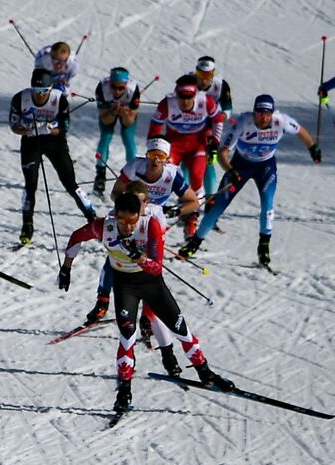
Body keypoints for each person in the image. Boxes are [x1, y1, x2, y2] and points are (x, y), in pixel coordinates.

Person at [102, 192, 232, 415]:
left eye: (145, 201)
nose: (145, 205)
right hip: (128, 282)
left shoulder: (154, 216)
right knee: (131, 333)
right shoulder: (116, 222)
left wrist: (144, 256)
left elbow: (156, 263)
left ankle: (203, 371)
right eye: (140, 201)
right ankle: (125, 392)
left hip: (152, 278)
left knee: (174, 324)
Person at [178, 95, 322, 268]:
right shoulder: (243, 123)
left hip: (265, 167)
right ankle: (195, 243)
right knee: (217, 206)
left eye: (266, 113)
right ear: (254, 112)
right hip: (241, 165)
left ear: (272, 113)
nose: (262, 117)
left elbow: (301, 131)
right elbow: (223, 152)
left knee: (267, 202)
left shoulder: (281, 121)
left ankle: (264, 247)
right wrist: (229, 170)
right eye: (259, 113)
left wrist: (313, 148)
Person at [58, 182, 186, 375]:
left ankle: (168, 355)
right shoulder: (121, 213)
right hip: (124, 272)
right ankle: (102, 303)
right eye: (134, 200)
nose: (138, 205)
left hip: (147, 270)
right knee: (110, 265)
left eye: (141, 202)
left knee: (152, 314)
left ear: (147, 202)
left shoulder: (154, 216)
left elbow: (156, 249)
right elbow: (99, 233)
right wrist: (66, 267)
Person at [10, 68, 96, 246]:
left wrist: (51, 129)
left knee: (70, 183)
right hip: (31, 142)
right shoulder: (20, 99)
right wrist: (25, 129)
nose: (40, 95)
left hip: (54, 142)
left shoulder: (58, 99)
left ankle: (92, 217)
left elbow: (65, 126)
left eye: (43, 92)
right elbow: (13, 125)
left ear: (50, 90)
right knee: (30, 184)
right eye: (36, 91)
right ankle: (27, 226)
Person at [148, 74, 224, 206]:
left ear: (195, 94)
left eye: (189, 97)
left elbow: (218, 120)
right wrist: (153, 148)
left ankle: (200, 208)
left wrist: (215, 142)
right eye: (181, 97)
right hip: (174, 145)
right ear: (176, 95)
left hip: (198, 145)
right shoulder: (167, 103)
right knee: (164, 173)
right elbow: (155, 127)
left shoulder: (205, 101)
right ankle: (158, 206)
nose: (185, 101)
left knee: (198, 173)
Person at [112, 137, 202, 236]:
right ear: (146, 156)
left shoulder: (172, 176)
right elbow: (115, 192)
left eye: (161, 156)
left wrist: (175, 212)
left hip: (155, 214)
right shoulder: (134, 167)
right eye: (152, 155)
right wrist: (124, 204)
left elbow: (194, 202)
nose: (155, 160)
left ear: (167, 160)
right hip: (129, 211)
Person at [93, 66, 143, 194]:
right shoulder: (102, 88)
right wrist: (113, 112)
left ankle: (132, 176)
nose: (116, 91)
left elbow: (129, 122)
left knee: (128, 137)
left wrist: (125, 114)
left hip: (125, 113)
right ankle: (100, 174)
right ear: (109, 83)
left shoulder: (133, 90)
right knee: (106, 136)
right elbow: (105, 120)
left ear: (126, 85)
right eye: (113, 87)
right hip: (109, 112)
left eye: (121, 88)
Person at [193, 56, 235, 206]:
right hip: (190, 126)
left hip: (212, 128)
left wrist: (220, 116)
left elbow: (228, 109)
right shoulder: (187, 81)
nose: (203, 80)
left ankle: (210, 200)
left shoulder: (221, 85)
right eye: (200, 75)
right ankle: (187, 201)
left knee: (210, 162)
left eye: (207, 76)